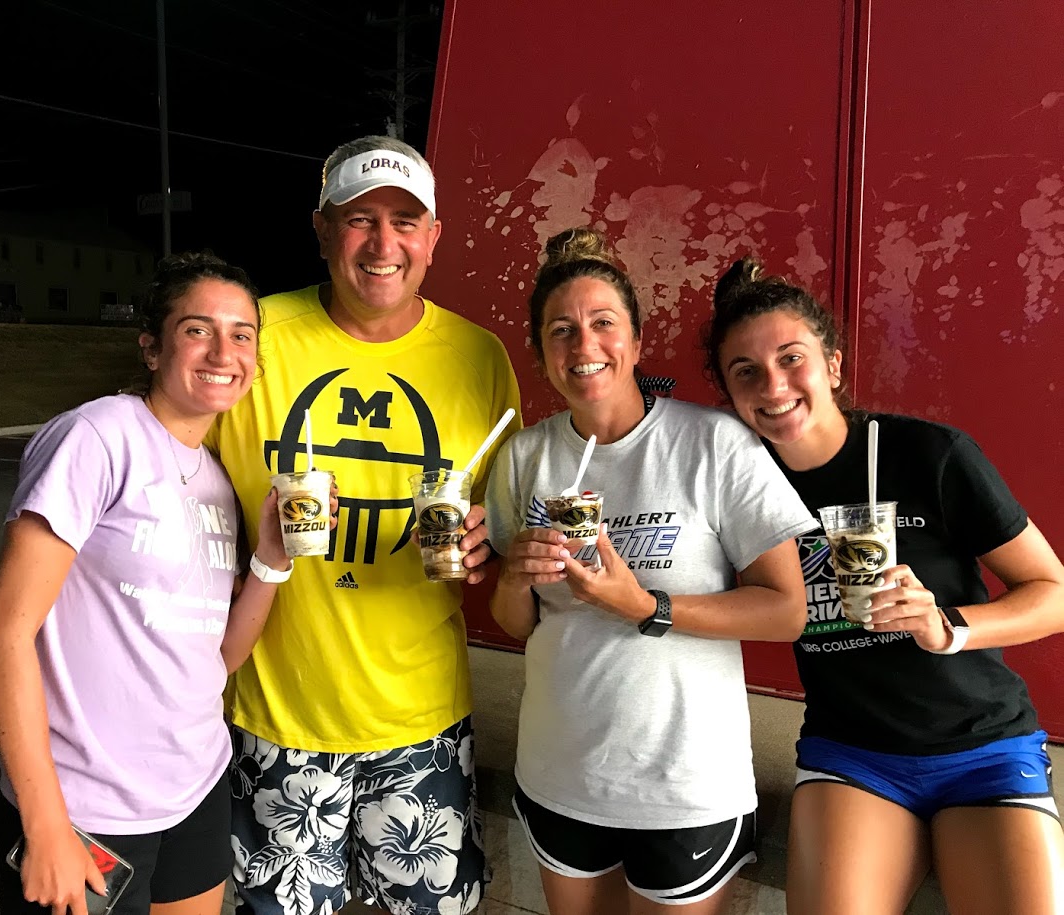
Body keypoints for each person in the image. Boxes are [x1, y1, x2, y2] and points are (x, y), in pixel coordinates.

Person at [206, 135, 522, 915]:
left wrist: (490, 544)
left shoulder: (479, 358)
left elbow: (512, 524)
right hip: (277, 713)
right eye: (360, 219)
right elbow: (171, 466)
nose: (384, 244)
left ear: (434, 237)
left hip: (420, 718)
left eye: (406, 221)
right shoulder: (253, 336)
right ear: (321, 230)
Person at [705, 255, 1064, 915]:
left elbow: (1053, 591)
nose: (774, 384)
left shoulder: (930, 455)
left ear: (834, 365)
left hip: (983, 744)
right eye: (746, 371)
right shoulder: (738, 492)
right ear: (728, 392)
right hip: (853, 754)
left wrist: (946, 625)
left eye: (792, 358)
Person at [482, 227, 816, 915]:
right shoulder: (524, 459)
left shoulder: (713, 443)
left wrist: (646, 605)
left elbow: (788, 607)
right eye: (561, 330)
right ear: (542, 353)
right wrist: (515, 574)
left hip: (684, 783)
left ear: (635, 343)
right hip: (559, 772)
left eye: (603, 324)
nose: (584, 346)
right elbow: (516, 622)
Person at [0, 252, 305, 915]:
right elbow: (0, 635)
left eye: (242, 333)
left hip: (194, 786)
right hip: (86, 805)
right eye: (197, 328)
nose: (223, 349)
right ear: (151, 347)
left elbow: (217, 658)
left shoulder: (213, 479)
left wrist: (270, 561)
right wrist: (45, 823)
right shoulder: (98, 437)